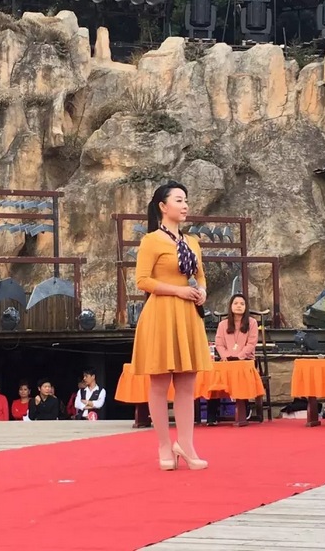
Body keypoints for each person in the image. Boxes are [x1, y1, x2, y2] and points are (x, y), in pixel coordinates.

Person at [130, 181, 212, 470]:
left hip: (188, 313)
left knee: (187, 384)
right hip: (162, 312)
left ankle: (186, 445)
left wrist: (202, 291)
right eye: (179, 200)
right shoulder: (151, 240)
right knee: (159, 383)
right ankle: (164, 445)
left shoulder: (192, 242)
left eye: (186, 200)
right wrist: (178, 291)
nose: (185, 205)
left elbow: (200, 276)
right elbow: (142, 281)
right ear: (163, 207)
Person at [207, 294, 259, 425]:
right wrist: (226, 356)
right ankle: (212, 413)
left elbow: (251, 344)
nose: (239, 306)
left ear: (246, 307)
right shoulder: (222, 324)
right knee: (215, 375)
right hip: (226, 360)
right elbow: (219, 344)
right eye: (236, 303)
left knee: (240, 371)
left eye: (242, 304)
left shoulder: (252, 323)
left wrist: (239, 356)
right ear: (230, 306)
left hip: (245, 360)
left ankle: (244, 407)